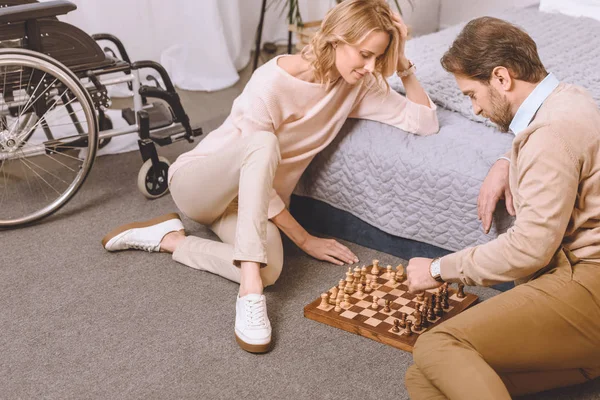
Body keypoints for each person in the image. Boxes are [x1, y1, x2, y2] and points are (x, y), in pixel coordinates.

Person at [101, 0, 439, 354]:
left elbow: (425, 122)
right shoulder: (271, 83)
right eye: (364, 54)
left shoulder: (358, 86)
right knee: (261, 143)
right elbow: (255, 154)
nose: (371, 67)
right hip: (200, 184)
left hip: (252, 204)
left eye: (378, 57)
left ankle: (170, 239)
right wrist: (305, 240)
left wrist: (402, 66)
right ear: (337, 39)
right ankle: (250, 293)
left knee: (271, 268)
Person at [404, 16, 600, 399]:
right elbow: (552, 146)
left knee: (435, 345)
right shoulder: (570, 97)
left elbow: (530, 249)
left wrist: (437, 269)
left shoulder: (548, 137)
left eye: (470, 95)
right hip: (584, 301)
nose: (475, 109)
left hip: (588, 286)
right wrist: (507, 160)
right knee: (425, 381)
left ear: (501, 78)